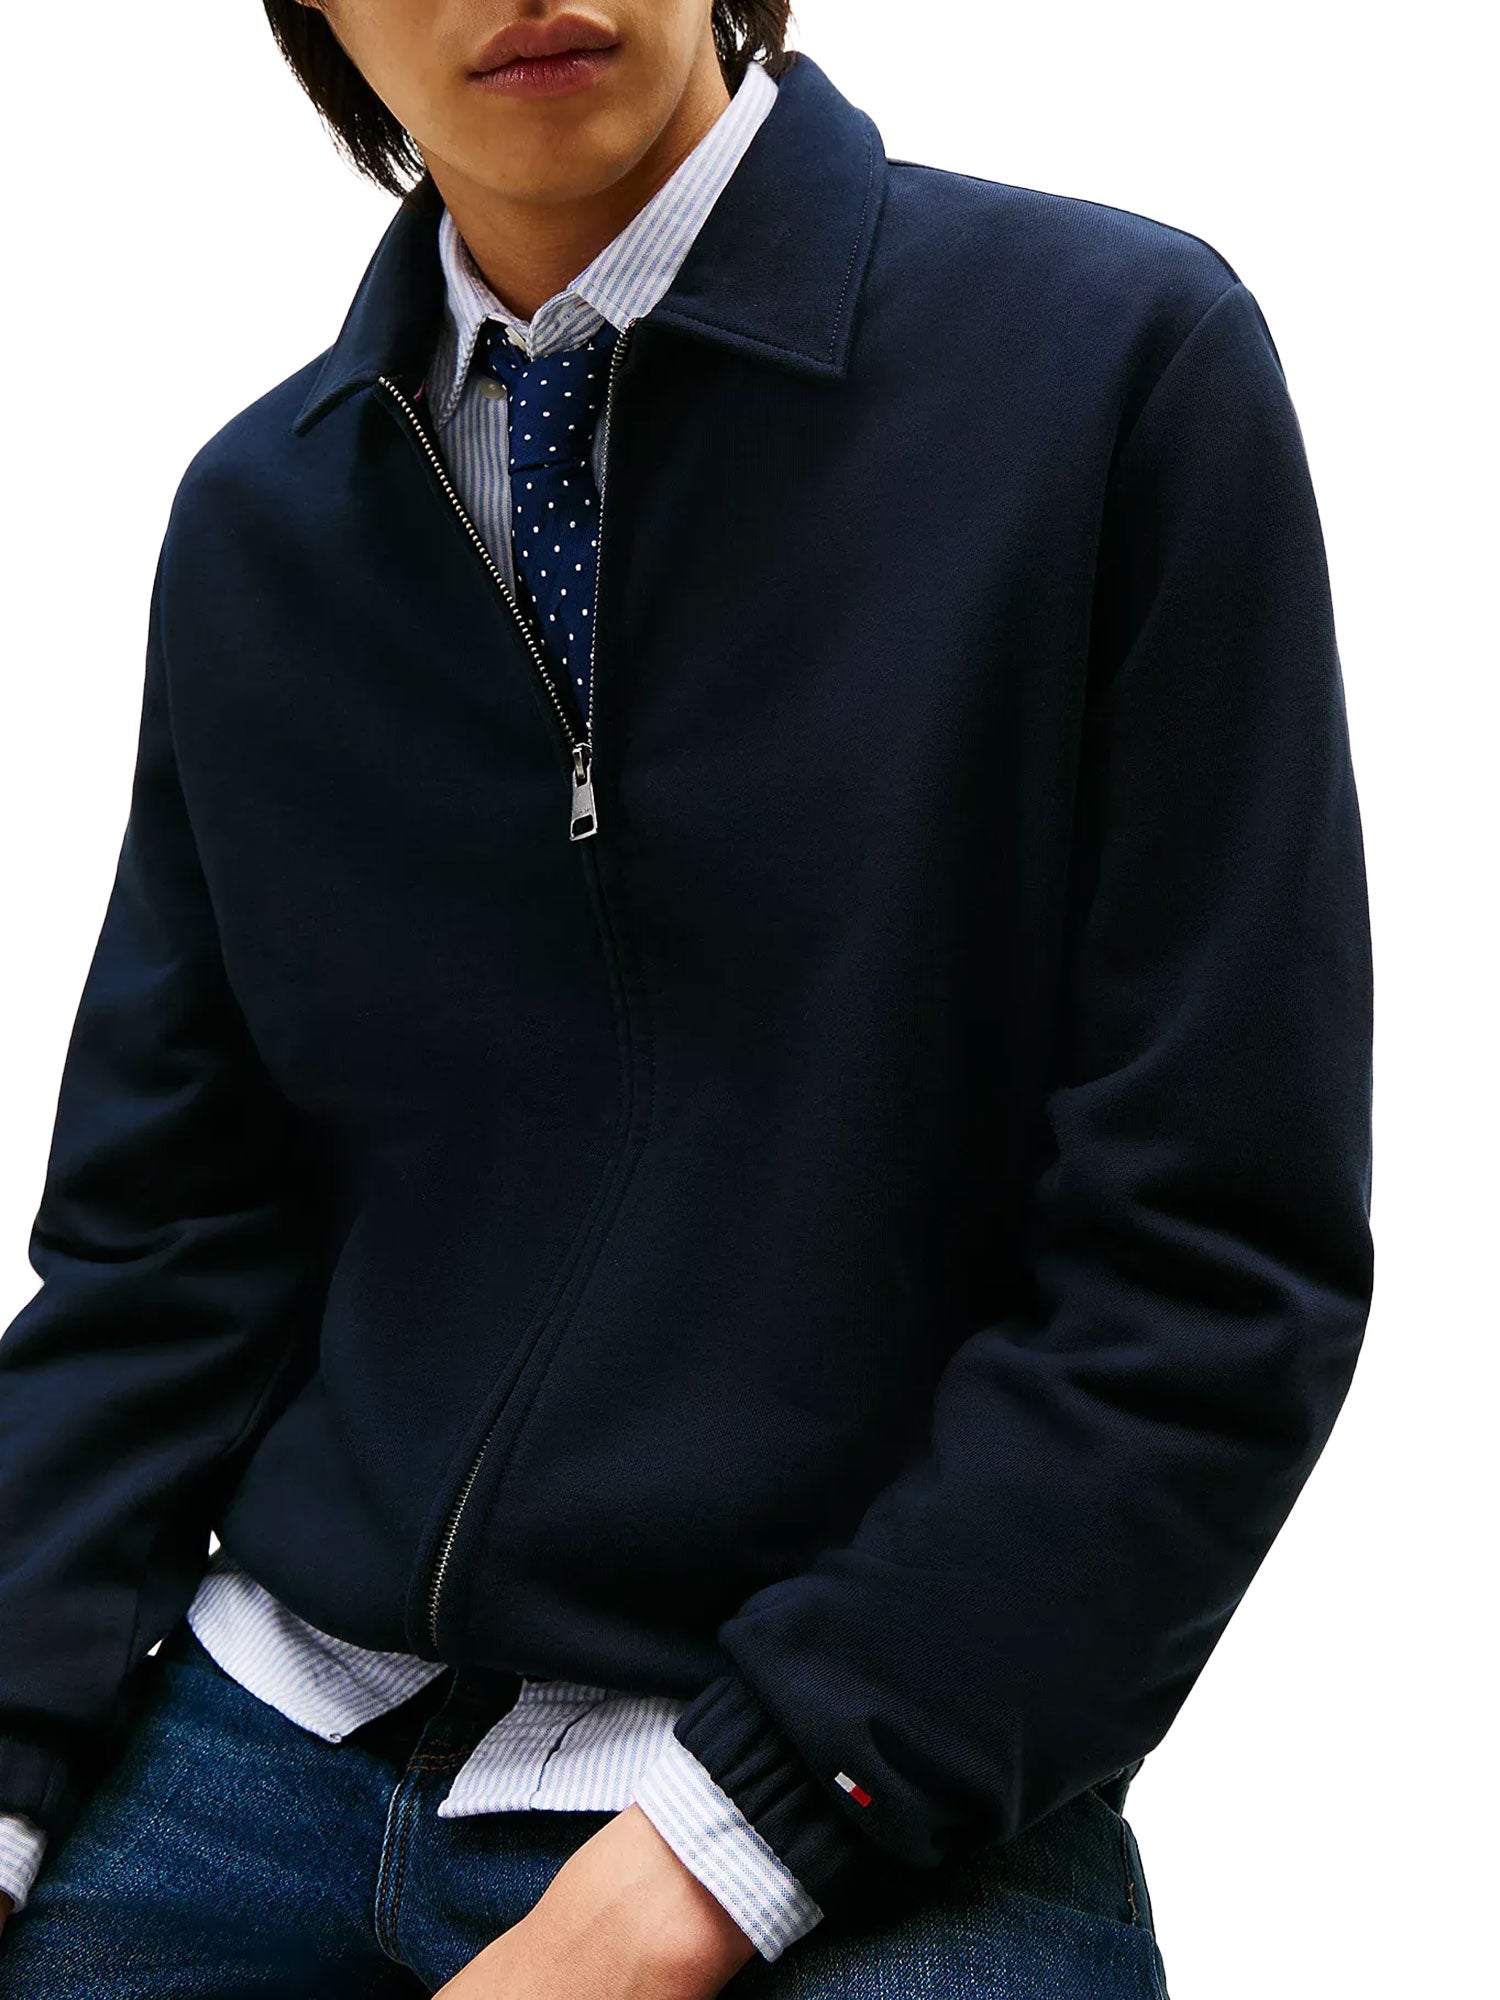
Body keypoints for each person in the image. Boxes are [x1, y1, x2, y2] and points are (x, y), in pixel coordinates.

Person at [0, 2, 1375, 1994]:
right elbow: (162, 1255)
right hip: (262, 1745)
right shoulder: (265, 519)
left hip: (863, 1764)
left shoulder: (1110, 368)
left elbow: (1211, 1276)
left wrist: (724, 1853)